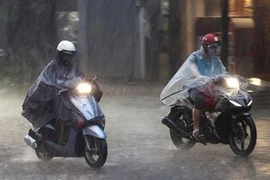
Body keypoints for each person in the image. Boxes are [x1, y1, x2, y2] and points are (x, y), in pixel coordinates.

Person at [22, 40, 102, 143]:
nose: (67, 58)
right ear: (60, 54)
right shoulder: (52, 66)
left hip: (66, 94)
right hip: (50, 96)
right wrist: (58, 85)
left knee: (79, 106)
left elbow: (79, 76)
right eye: (65, 55)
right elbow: (48, 80)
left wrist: (87, 81)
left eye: (70, 55)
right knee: (64, 110)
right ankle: (62, 136)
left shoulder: (71, 67)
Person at [160, 33, 227, 140]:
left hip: (210, 88)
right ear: (205, 47)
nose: (214, 50)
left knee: (225, 98)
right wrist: (200, 77)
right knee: (199, 100)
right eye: (212, 48)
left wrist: (225, 78)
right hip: (193, 86)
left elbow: (223, 72)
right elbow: (193, 70)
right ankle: (196, 129)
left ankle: (216, 124)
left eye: (216, 48)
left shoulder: (215, 60)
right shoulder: (195, 57)